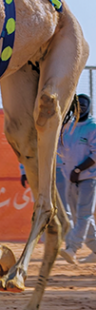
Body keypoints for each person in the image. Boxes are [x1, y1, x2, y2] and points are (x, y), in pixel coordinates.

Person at [60, 94, 96, 264]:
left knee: (84, 214)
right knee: (78, 217)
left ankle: (72, 248)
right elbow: (60, 150)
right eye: (78, 105)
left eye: (83, 104)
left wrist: (78, 169)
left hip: (89, 177)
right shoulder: (67, 127)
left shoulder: (93, 126)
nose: (80, 107)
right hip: (70, 178)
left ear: (89, 107)